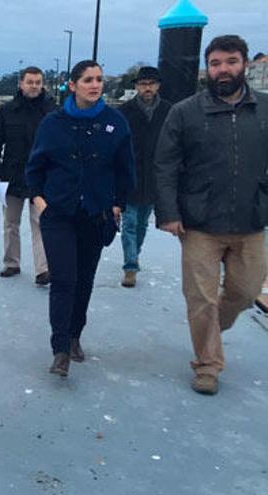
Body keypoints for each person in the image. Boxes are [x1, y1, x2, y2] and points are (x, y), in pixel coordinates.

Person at [154, 35, 268, 396]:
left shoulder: (265, 109)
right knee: (200, 297)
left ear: (245, 64)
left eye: (231, 61)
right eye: (216, 63)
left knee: (247, 291)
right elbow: (166, 165)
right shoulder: (185, 112)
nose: (223, 69)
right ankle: (207, 365)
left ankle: (208, 331)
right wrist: (169, 213)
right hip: (199, 223)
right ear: (208, 68)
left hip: (251, 220)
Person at [26, 60, 135, 377]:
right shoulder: (53, 123)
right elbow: (36, 166)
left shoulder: (115, 123)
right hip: (58, 213)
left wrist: (118, 204)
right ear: (72, 85)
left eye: (99, 79)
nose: (95, 85)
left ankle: (74, 336)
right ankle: (59, 349)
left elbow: (125, 169)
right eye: (88, 79)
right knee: (64, 279)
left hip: (95, 215)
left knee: (84, 280)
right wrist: (39, 199)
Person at [0, 66, 56, 285]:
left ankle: (43, 269)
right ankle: (11, 263)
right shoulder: (8, 110)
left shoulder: (52, 110)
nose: (34, 86)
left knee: (41, 222)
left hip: (43, 178)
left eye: (37, 82)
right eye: (30, 82)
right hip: (12, 174)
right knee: (11, 223)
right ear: (21, 84)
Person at [118, 66, 172, 288]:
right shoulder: (124, 111)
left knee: (142, 223)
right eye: (142, 84)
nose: (147, 88)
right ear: (137, 87)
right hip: (129, 174)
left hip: (154, 176)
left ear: (158, 85)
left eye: (151, 83)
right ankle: (130, 266)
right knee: (129, 222)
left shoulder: (169, 111)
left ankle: (135, 253)